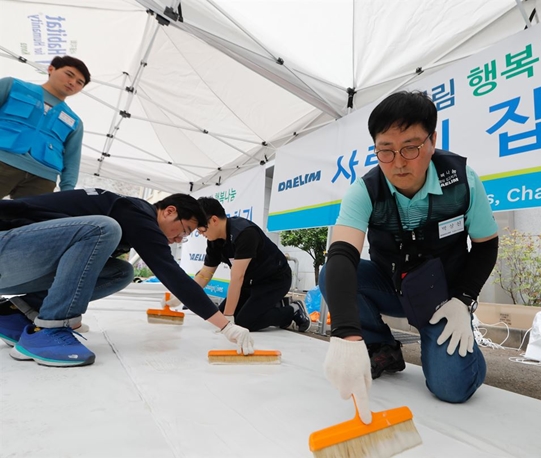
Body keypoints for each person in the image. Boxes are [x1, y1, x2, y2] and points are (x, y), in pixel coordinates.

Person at [319, 91, 499, 423]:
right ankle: (380, 348)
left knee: (452, 388)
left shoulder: (462, 182)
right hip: (393, 286)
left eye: (411, 148)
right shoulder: (367, 190)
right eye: (385, 150)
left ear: (432, 139)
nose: (399, 162)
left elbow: (486, 245)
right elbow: (342, 255)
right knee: (331, 272)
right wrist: (346, 334)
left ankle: (467, 352)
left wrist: (463, 299)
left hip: (443, 300)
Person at [0, 189, 254, 367]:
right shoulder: (134, 212)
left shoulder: (129, 214)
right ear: (168, 211)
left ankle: (16, 311)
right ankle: (49, 330)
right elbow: (170, 272)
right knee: (103, 228)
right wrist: (225, 326)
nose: (179, 240)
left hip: (18, 261)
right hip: (7, 247)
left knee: (120, 272)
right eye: (183, 231)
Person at [172, 196, 310, 333]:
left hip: (274, 280)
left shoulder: (244, 233)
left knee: (245, 322)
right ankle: (272, 306)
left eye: (201, 230)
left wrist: (228, 318)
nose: (201, 234)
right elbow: (204, 274)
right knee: (218, 317)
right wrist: (183, 295)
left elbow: (237, 277)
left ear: (214, 220)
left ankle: (292, 310)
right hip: (249, 282)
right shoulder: (214, 241)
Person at [0, 55, 90, 199]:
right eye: (69, 75)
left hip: (43, 179)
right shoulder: (12, 86)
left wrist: (67, 191)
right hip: (3, 162)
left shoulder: (75, 122)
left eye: (80, 82)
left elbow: (72, 158)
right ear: (51, 69)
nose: (72, 83)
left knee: (28, 221)